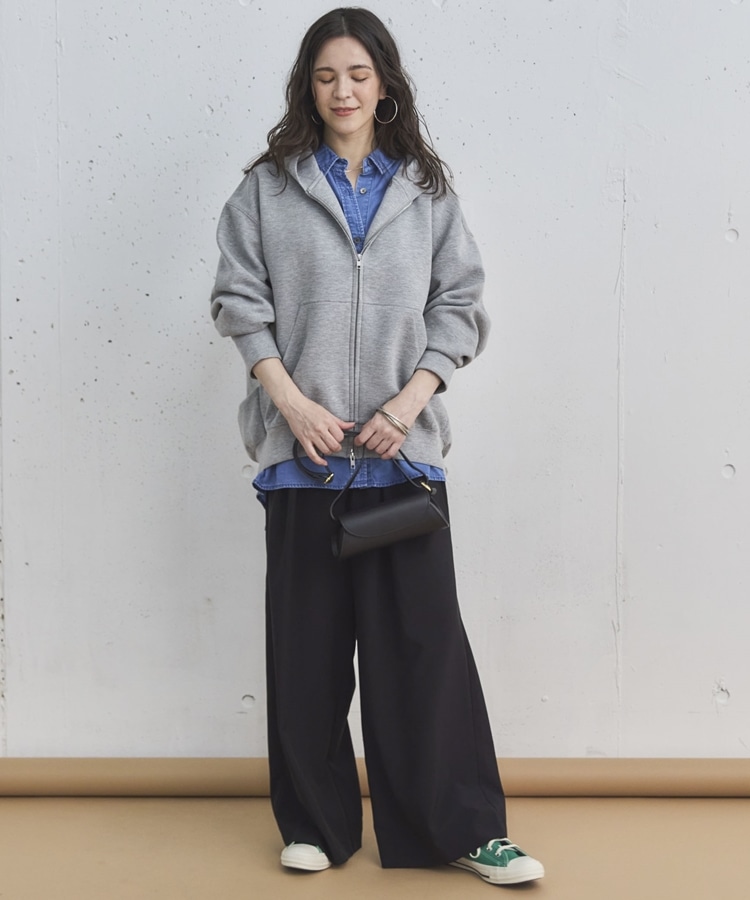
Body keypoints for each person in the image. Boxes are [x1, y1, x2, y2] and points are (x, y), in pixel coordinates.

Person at [210, 7, 544, 887]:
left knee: (425, 654)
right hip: (304, 461)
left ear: (385, 83)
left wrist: (411, 398)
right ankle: (315, 826)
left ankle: (464, 830)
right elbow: (239, 303)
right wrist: (291, 405)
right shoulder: (266, 191)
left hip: (403, 459)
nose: (343, 90)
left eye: (358, 74)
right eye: (326, 76)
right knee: (308, 654)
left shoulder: (426, 192)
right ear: (307, 88)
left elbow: (459, 305)